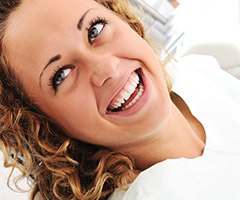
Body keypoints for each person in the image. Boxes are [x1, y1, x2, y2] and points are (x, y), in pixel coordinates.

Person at [0, 0, 240, 200]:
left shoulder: (200, 71)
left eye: (94, 29)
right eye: (62, 74)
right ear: (39, 124)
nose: (107, 68)